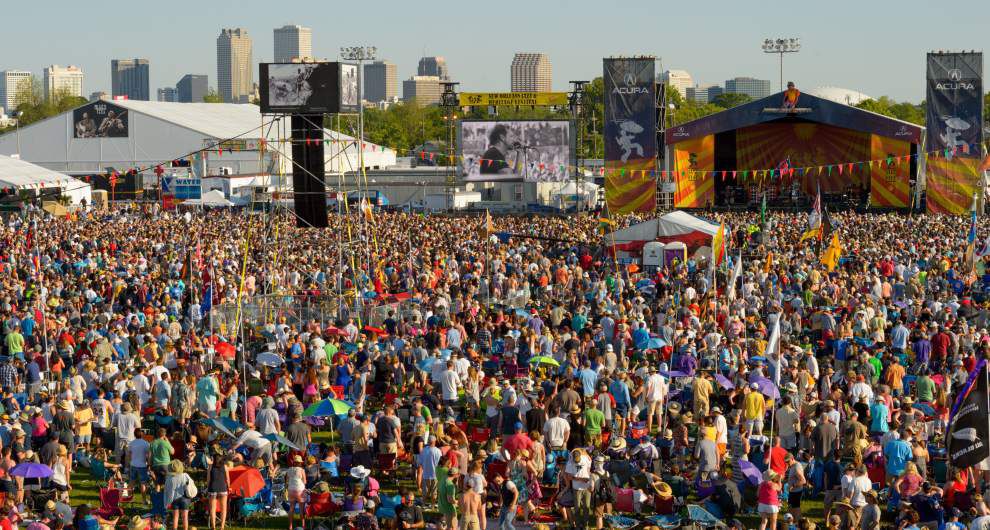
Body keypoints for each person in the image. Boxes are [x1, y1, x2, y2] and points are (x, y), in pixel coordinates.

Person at [163, 461, 195, 530]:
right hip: (185, 498)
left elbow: (166, 491)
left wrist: (166, 503)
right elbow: (191, 485)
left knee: (175, 517)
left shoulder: (169, 478)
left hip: (174, 499)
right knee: (185, 517)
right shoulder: (185, 475)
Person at [206, 449, 230, 530]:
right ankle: (222, 527)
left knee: (213, 509)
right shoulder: (225, 467)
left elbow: (208, 480)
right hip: (223, 489)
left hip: (212, 489)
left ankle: (213, 527)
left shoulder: (210, 467)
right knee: (224, 509)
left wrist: (208, 488)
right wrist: (229, 487)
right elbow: (227, 479)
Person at [285, 454, 307, 530]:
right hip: (300, 490)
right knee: (301, 509)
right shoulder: (302, 470)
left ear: (294, 462)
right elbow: (304, 481)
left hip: (291, 490)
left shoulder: (289, 469)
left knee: (291, 508)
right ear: (300, 463)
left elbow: (287, 481)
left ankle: (290, 526)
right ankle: (303, 525)